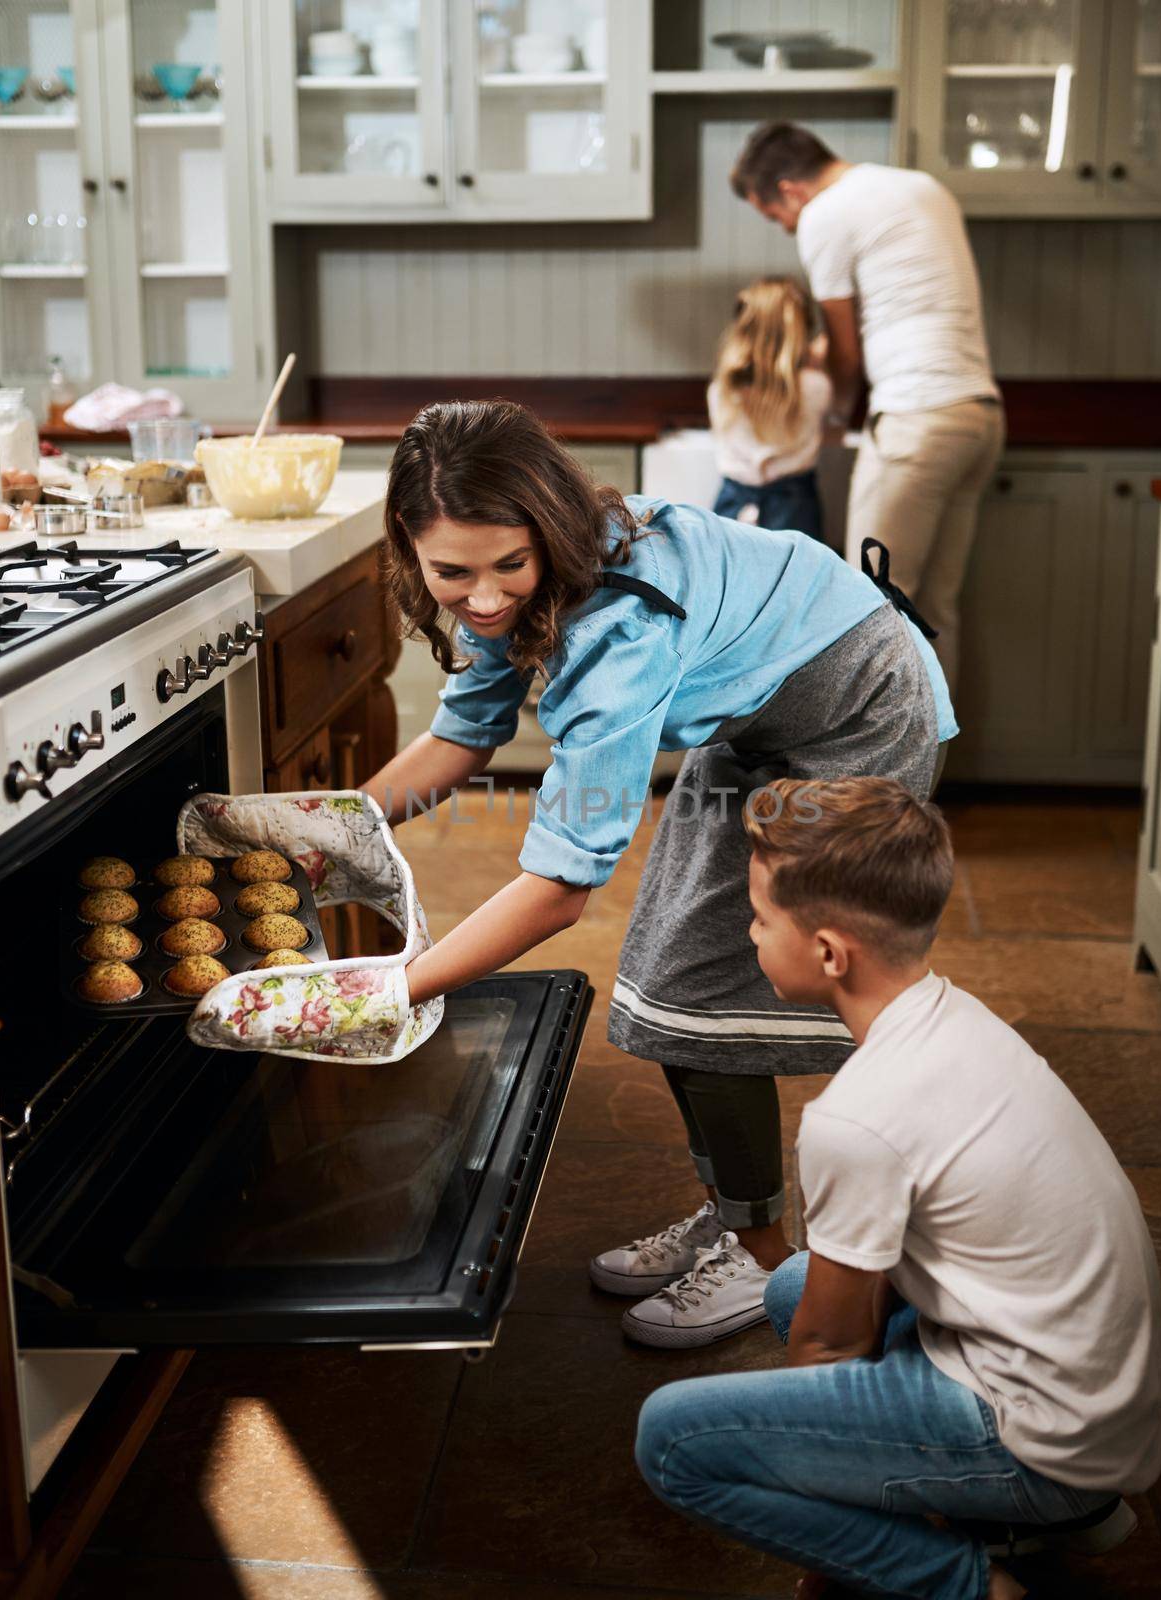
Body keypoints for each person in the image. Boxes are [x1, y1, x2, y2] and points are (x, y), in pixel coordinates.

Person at [366, 398, 956, 1348]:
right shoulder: (503, 573)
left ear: (549, 532)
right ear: (411, 549)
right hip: (759, 711)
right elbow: (462, 735)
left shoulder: (615, 636)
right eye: (452, 574)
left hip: (861, 712)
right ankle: (736, 1213)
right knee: (673, 980)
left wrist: (392, 988)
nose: (481, 599)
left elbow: (562, 888)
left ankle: (767, 1258)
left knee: (706, 997)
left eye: (508, 566)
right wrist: (341, 830)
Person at [635, 777, 1161, 1600]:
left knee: (671, 1439)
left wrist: (829, 1537)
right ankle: (1048, 1515)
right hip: (1090, 1396)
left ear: (826, 953)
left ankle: (965, 1578)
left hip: (1044, 1439)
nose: (748, 933)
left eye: (760, 917)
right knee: (792, 1286)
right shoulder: (953, 1017)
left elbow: (830, 1352)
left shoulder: (857, 1117)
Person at [730, 121, 1005, 688]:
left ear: (789, 190)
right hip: (979, 414)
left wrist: (831, 415)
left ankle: (873, 780)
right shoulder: (921, 187)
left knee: (869, 611)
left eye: (774, 216)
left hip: (916, 419)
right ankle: (921, 778)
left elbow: (847, 357)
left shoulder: (826, 215)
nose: (786, 228)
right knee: (934, 613)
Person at [707, 276, 832, 542]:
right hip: (795, 509)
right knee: (797, 582)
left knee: (730, 581)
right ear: (801, 335)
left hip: (733, 509)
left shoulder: (722, 390)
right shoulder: (815, 386)